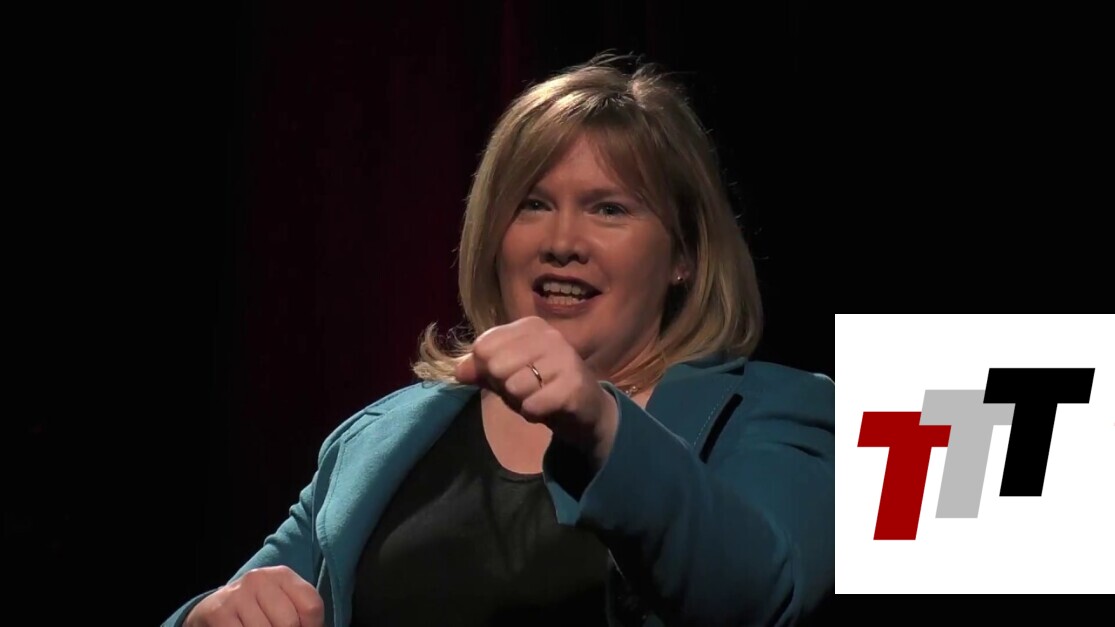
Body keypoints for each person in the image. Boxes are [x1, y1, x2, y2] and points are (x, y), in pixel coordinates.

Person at [164, 52, 835, 627]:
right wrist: (207, 615)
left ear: (683, 255)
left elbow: (763, 598)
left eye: (609, 209)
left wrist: (604, 427)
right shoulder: (378, 439)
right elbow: (236, 603)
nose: (562, 242)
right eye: (533, 204)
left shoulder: (782, 411)